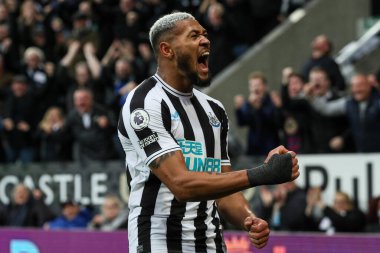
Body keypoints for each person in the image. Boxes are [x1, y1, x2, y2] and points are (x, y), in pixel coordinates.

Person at [118, 12, 299, 252]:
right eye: (194, 36)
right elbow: (181, 185)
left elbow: (222, 187)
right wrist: (264, 174)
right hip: (159, 241)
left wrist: (248, 218)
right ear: (167, 49)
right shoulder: (144, 104)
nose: (205, 40)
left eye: (205, 34)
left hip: (210, 243)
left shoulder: (214, 109)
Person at [310, 73, 380, 152]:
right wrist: (312, 97)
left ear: (369, 86)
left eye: (360, 85)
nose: (357, 89)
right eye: (354, 86)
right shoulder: (348, 103)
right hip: (362, 154)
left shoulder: (378, 102)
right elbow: (327, 109)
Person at [234, 72, 282, 156]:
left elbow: (274, 121)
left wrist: (258, 108)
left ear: (265, 86)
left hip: (271, 148)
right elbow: (242, 122)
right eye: (252, 85)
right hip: (253, 149)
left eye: (258, 85)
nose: (255, 88)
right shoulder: (249, 103)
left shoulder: (272, 101)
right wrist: (238, 109)